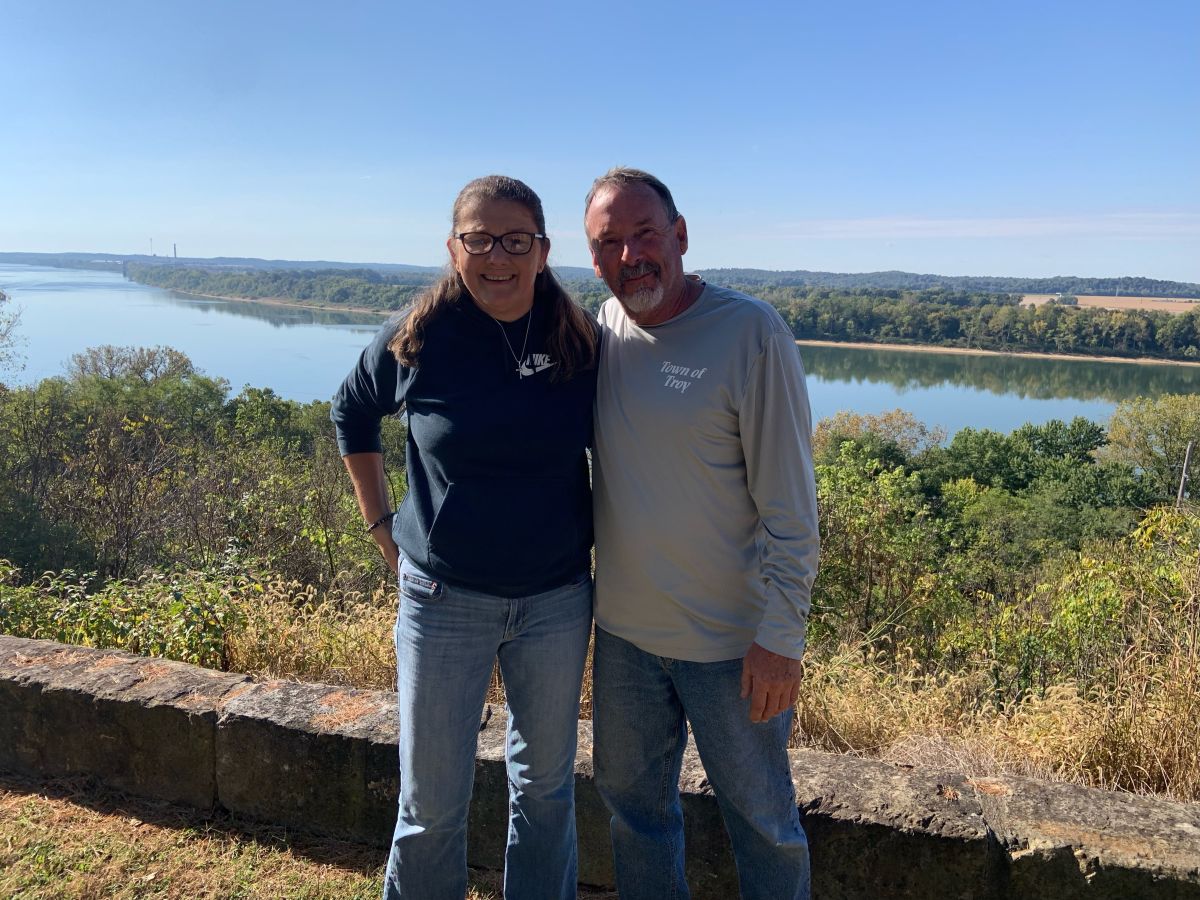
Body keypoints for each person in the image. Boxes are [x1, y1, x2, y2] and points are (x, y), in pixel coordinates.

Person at [331, 175, 598, 900]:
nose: (497, 257)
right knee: (431, 805)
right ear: (454, 249)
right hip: (442, 598)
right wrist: (380, 523)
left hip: (556, 600)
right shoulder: (419, 338)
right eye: (479, 239)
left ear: (543, 251)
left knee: (545, 793)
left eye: (516, 240)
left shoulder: (580, 341)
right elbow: (351, 413)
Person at [584, 167, 819, 900]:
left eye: (645, 234)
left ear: (681, 235)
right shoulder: (602, 328)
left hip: (732, 647)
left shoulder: (750, 332)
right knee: (634, 813)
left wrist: (782, 635)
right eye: (609, 242)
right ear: (592, 257)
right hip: (624, 638)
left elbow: (791, 504)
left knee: (764, 823)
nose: (631, 256)